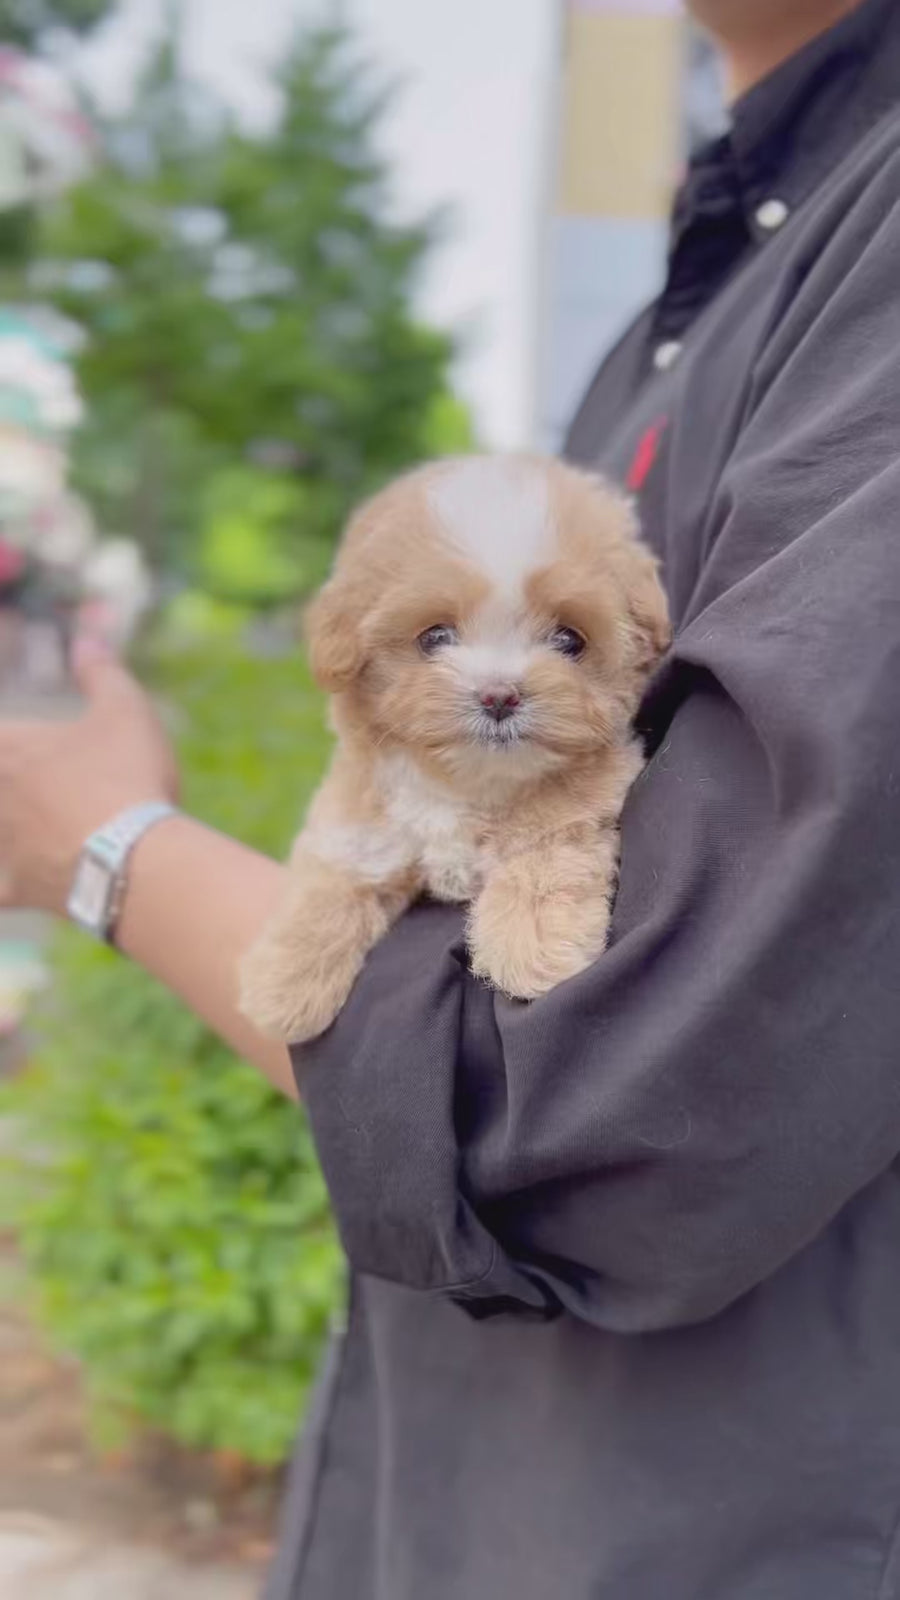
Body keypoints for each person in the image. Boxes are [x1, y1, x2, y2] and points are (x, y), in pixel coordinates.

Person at [2, 0, 900, 1593]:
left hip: (726, 1527)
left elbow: (622, 1099)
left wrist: (107, 843)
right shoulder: (703, 285)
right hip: (486, 1493)